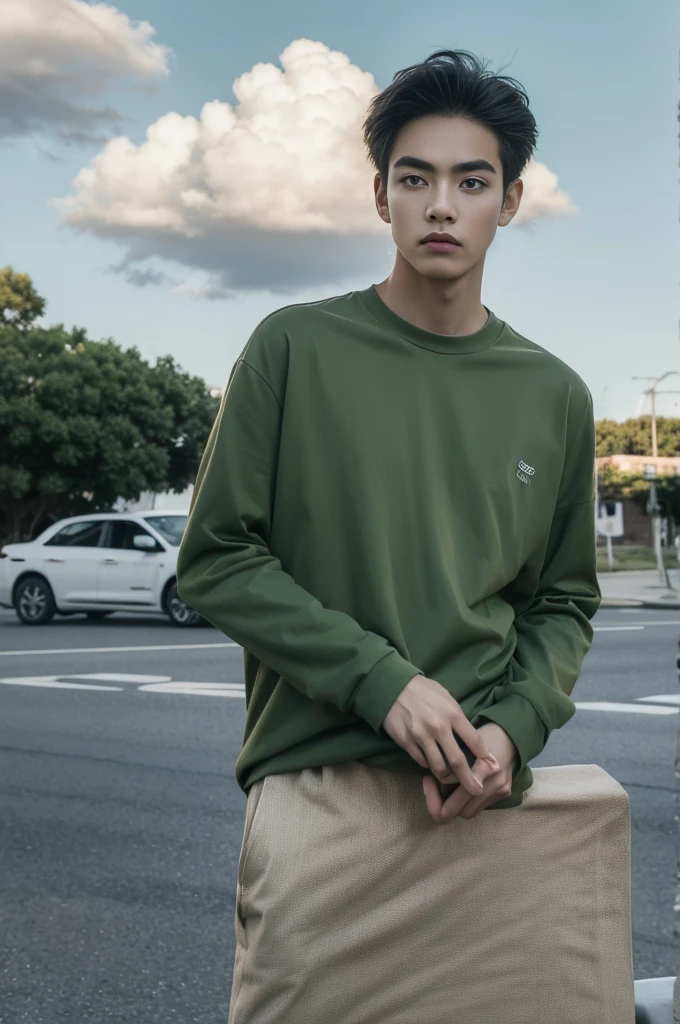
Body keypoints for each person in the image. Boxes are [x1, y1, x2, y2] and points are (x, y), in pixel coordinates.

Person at [176, 48, 601, 1024]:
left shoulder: (555, 396)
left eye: (469, 180)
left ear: (510, 199)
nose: (440, 205)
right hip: (317, 793)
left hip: (481, 803)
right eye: (415, 178)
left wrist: (513, 727)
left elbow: (562, 600)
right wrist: (384, 681)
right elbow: (218, 556)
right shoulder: (292, 348)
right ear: (379, 196)